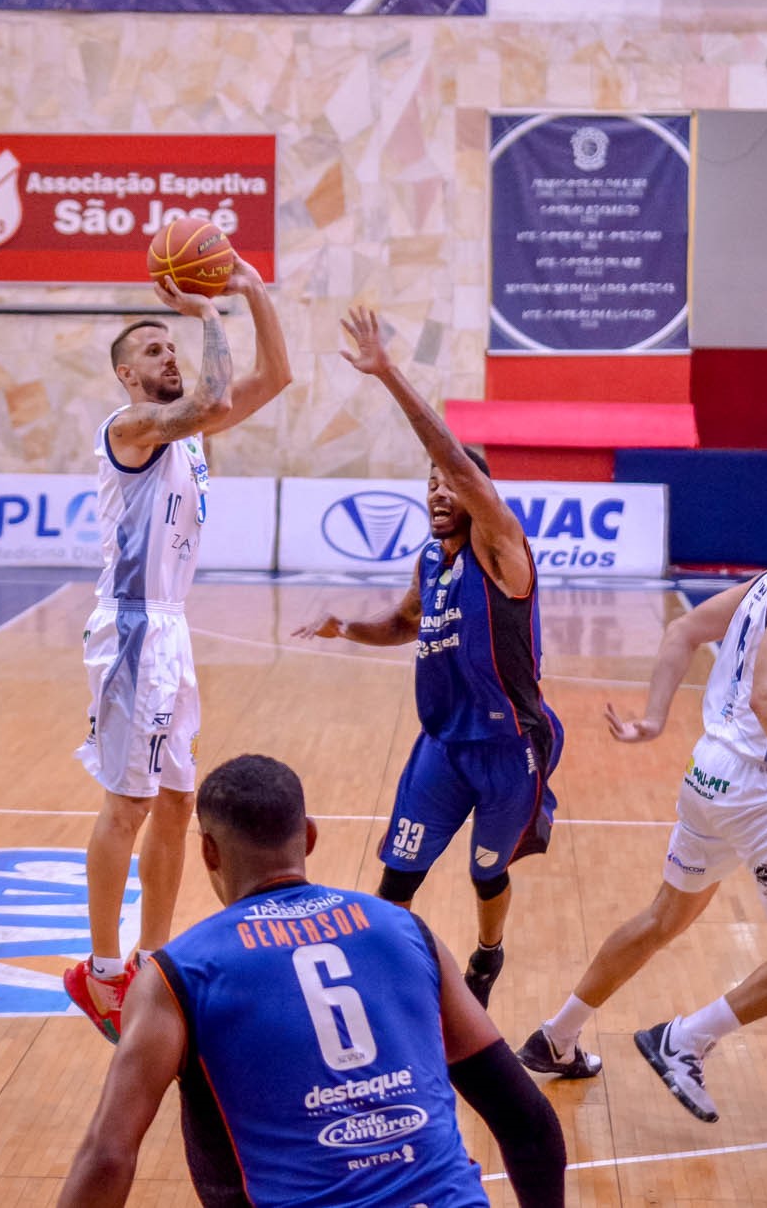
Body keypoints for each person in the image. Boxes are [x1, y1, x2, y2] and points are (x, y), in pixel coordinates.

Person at [520, 484, 767, 1123]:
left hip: (709, 778)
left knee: (663, 919)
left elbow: (683, 629)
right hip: (757, 789)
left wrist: (656, 719)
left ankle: (557, 1036)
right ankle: (684, 1038)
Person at [57, 753, 566, 1208]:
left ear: (209, 853)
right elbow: (528, 1122)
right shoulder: (406, 932)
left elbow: (107, 1158)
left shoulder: (177, 972)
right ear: (310, 836)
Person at [293, 304, 563, 1010]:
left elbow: (455, 460)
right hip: (442, 745)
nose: (440, 490)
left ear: (477, 496)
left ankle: (488, 951)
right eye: (432, 483)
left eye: (452, 482)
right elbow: (403, 624)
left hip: (510, 748)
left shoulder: (501, 547)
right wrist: (347, 628)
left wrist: (387, 373)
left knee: (485, 874)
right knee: (397, 878)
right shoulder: (428, 561)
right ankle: (389, 992)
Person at [63, 258, 290, 1043]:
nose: (169, 356)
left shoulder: (189, 436)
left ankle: (152, 960)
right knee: (127, 802)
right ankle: (99, 974)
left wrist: (253, 291)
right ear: (128, 374)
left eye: (172, 344)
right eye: (153, 350)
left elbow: (278, 376)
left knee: (175, 803)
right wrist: (205, 311)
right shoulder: (130, 427)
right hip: (130, 628)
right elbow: (210, 396)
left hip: (170, 628)